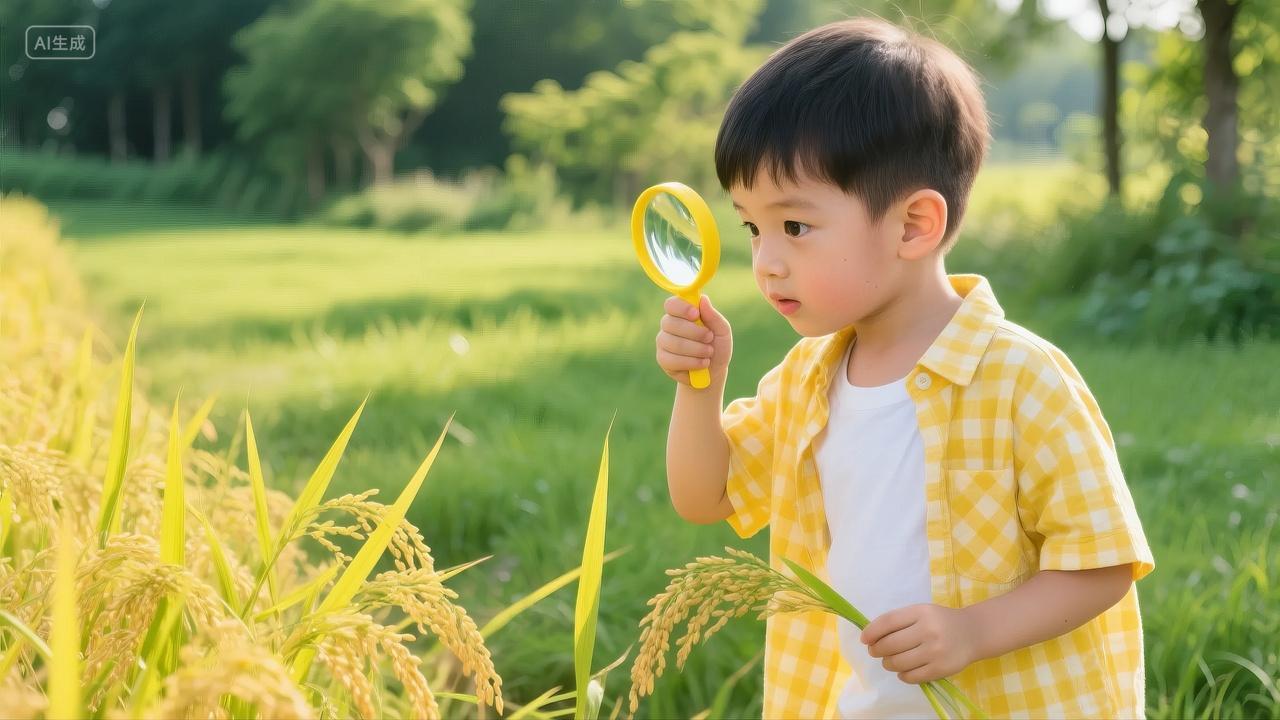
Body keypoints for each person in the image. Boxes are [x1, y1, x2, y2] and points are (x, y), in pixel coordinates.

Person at [654, 17, 1155, 719]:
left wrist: (974, 631)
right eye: (751, 227)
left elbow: (1103, 562)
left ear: (914, 225)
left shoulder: (1021, 378)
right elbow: (704, 498)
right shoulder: (806, 382)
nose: (766, 259)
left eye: (794, 226)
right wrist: (698, 389)